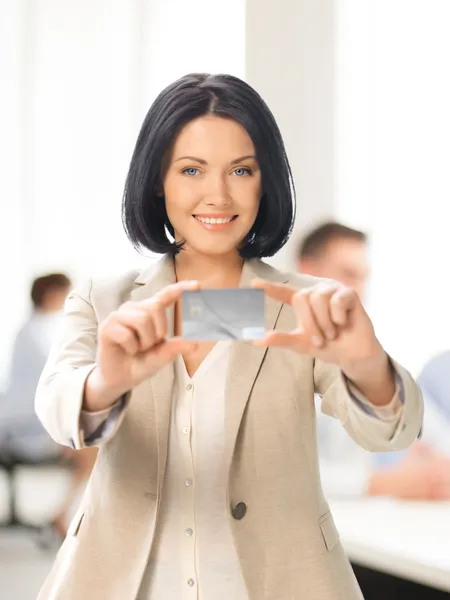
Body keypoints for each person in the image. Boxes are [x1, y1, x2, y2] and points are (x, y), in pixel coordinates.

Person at [35, 73, 423, 600]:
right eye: (191, 169)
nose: (217, 195)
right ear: (157, 180)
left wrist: (368, 365)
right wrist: (106, 383)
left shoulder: (306, 305)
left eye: (241, 170)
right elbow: (59, 411)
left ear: (265, 182)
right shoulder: (103, 301)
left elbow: (390, 433)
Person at [298, 222, 450, 500]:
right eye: (348, 275)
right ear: (307, 271)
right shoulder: (262, 358)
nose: (358, 290)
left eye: (363, 278)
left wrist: (437, 470)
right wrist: (381, 483)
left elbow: (431, 431)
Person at [0, 274, 97, 537]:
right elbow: (50, 387)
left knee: (94, 445)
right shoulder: (33, 334)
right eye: (65, 293)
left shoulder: (39, 330)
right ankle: (64, 515)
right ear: (50, 293)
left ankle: (64, 514)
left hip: (32, 420)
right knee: (93, 448)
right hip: (26, 427)